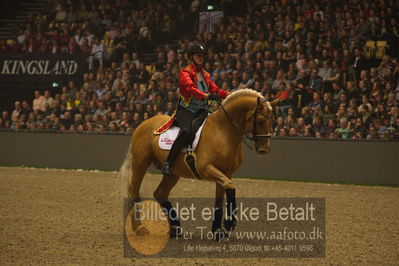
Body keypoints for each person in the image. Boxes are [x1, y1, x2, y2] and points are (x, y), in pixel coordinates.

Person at [162, 43, 229, 176]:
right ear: (191, 57)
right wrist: (205, 95)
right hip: (186, 110)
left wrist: (231, 95)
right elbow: (190, 89)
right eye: (198, 56)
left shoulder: (205, 75)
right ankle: (169, 162)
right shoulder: (185, 73)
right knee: (186, 131)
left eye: (202, 56)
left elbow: (215, 90)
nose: (201, 58)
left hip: (202, 110)